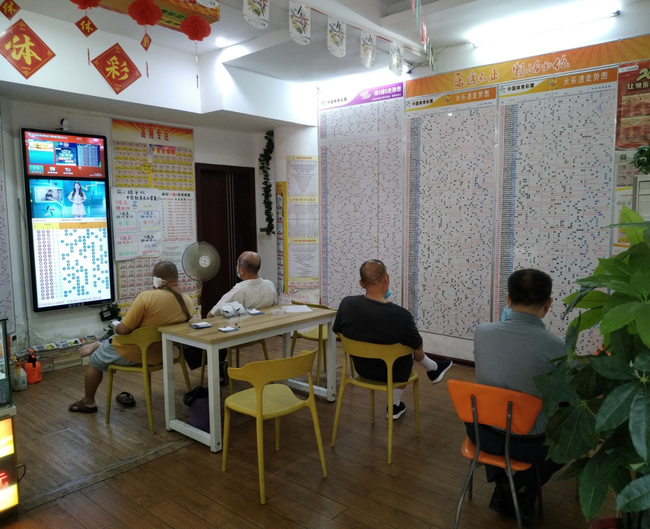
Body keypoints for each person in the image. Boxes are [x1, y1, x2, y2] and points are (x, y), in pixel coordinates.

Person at [471, 268, 565, 526]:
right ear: (548, 304)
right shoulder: (558, 347)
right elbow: (567, 395)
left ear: (508, 300)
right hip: (530, 445)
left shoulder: (482, 332)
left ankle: (504, 482)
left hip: (483, 435)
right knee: (571, 430)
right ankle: (523, 485)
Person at [333, 259, 453, 419]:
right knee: (408, 350)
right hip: (394, 373)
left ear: (361, 283)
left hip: (362, 370)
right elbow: (418, 346)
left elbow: (337, 332)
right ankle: (395, 404)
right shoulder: (401, 316)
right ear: (387, 279)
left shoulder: (346, 304)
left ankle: (432, 369)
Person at [69, 261, 193, 414]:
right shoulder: (187, 302)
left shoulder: (147, 298)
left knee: (94, 361)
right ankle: (101, 345)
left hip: (134, 354)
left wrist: (115, 326)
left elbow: (123, 330)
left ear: (157, 280)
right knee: (122, 339)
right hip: (163, 354)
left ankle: (88, 402)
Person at [207, 251, 276, 317]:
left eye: (238, 266)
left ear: (242, 269)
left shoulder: (238, 291)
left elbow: (212, 314)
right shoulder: (270, 285)